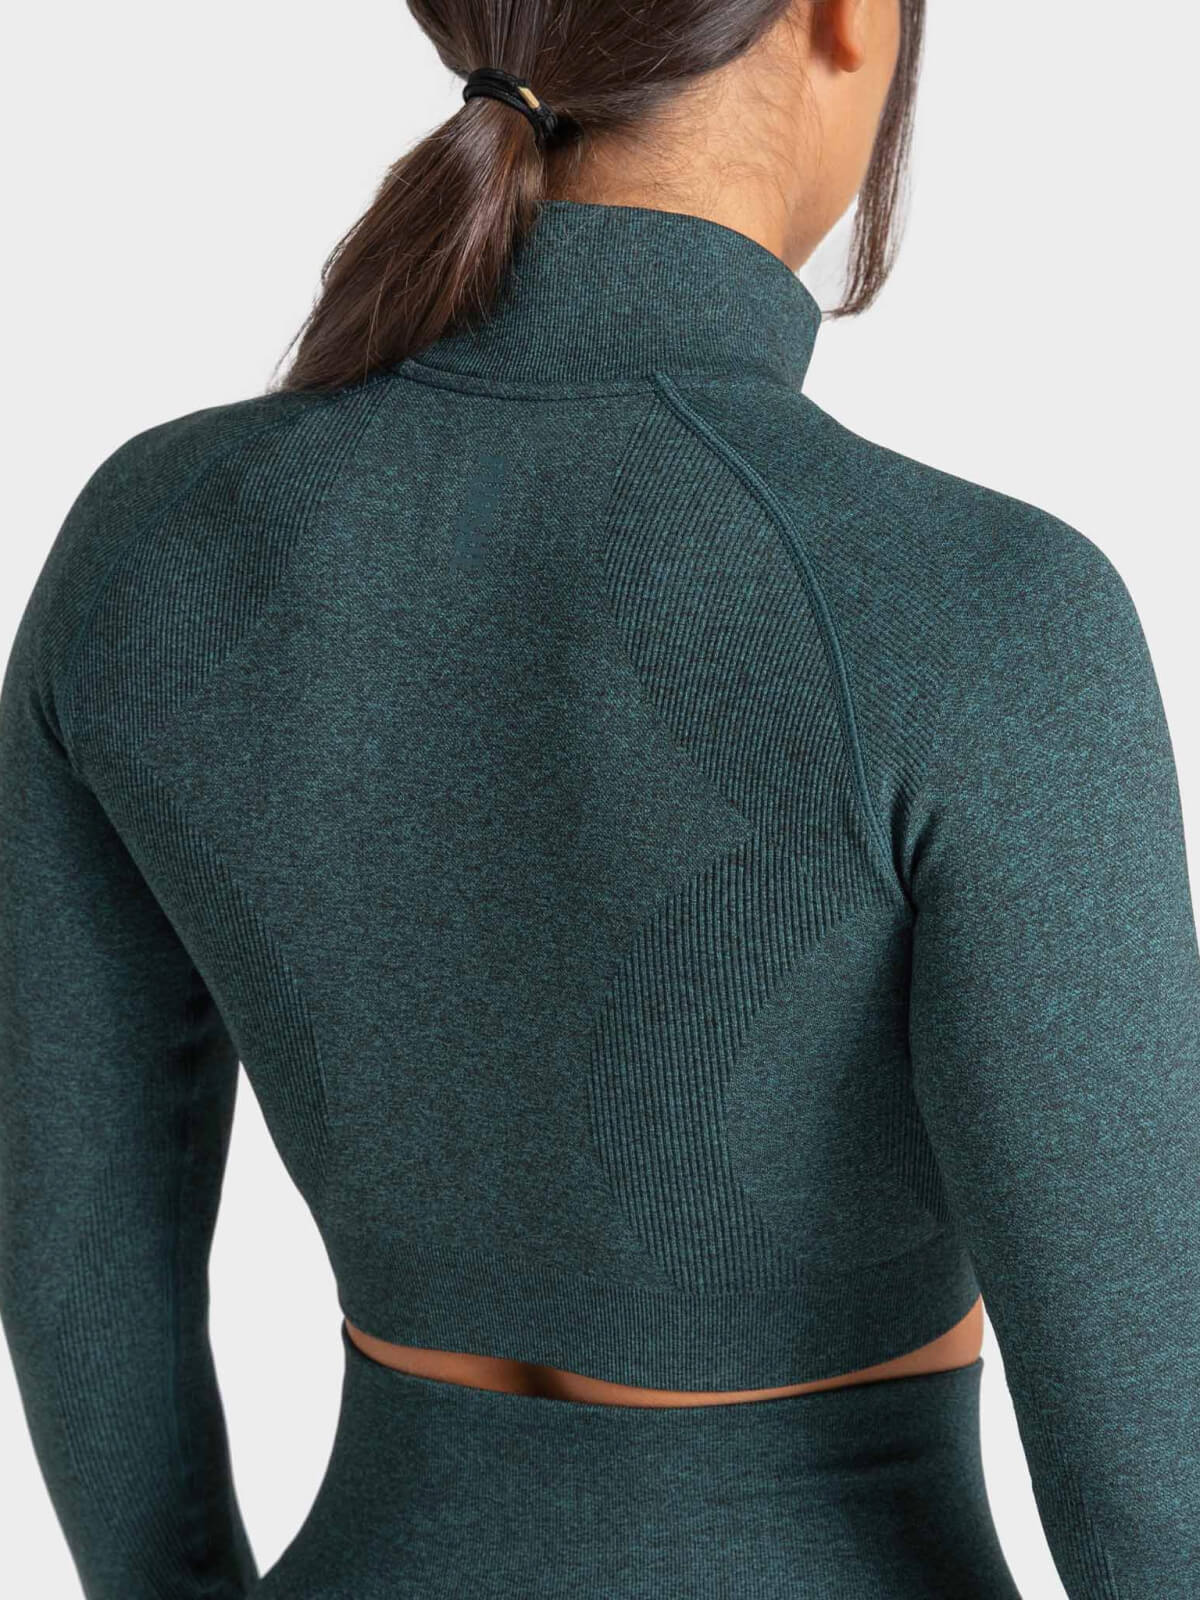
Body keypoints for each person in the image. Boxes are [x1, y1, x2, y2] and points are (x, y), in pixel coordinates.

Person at [0, 0, 1196, 1596]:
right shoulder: (986, 612)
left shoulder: (155, 542)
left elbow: (76, 1261)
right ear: (845, 18)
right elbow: (1154, 1472)